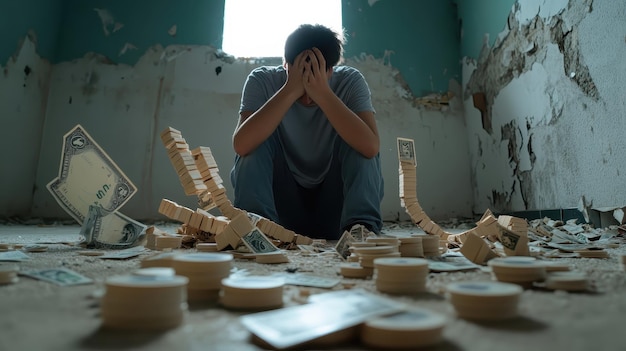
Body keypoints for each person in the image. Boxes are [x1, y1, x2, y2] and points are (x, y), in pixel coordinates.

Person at [230, 24, 384, 240]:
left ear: (331, 70)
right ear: (285, 65)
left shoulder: (350, 81)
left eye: (319, 75)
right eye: (301, 76)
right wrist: (290, 90)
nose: (307, 98)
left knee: (359, 138)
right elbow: (242, 145)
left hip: (337, 212)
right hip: (280, 214)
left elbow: (370, 147)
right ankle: (257, 231)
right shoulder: (262, 80)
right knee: (255, 139)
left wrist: (324, 94)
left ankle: (361, 230)